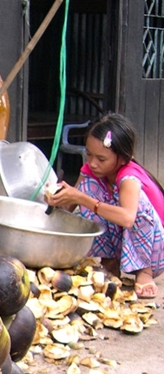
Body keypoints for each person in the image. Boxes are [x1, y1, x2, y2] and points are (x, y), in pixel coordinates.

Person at [46, 113, 164, 299]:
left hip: (154, 251)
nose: (92, 163)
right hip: (122, 245)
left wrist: (82, 199)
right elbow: (69, 207)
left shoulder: (129, 177)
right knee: (87, 188)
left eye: (101, 159)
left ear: (124, 158)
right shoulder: (90, 172)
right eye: (89, 154)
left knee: (128, 205)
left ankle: (144, 271)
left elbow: (127, 218)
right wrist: (57, 198)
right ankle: (110, 262)